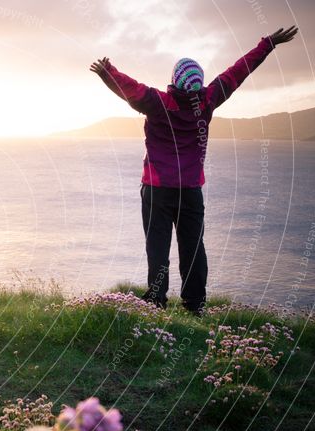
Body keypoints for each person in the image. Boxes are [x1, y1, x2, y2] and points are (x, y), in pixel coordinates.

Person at [90, 26, 298, 315]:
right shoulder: (208, 100)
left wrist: (107, 72)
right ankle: (195, 306)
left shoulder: (158, 103)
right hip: (190, 192)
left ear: (174, 80)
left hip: (157, 191)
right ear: (198, 84)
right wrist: (268, 44)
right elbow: (238, 72)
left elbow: (130, 89)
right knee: (193, 249)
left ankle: (156, 305)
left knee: (158, 250)